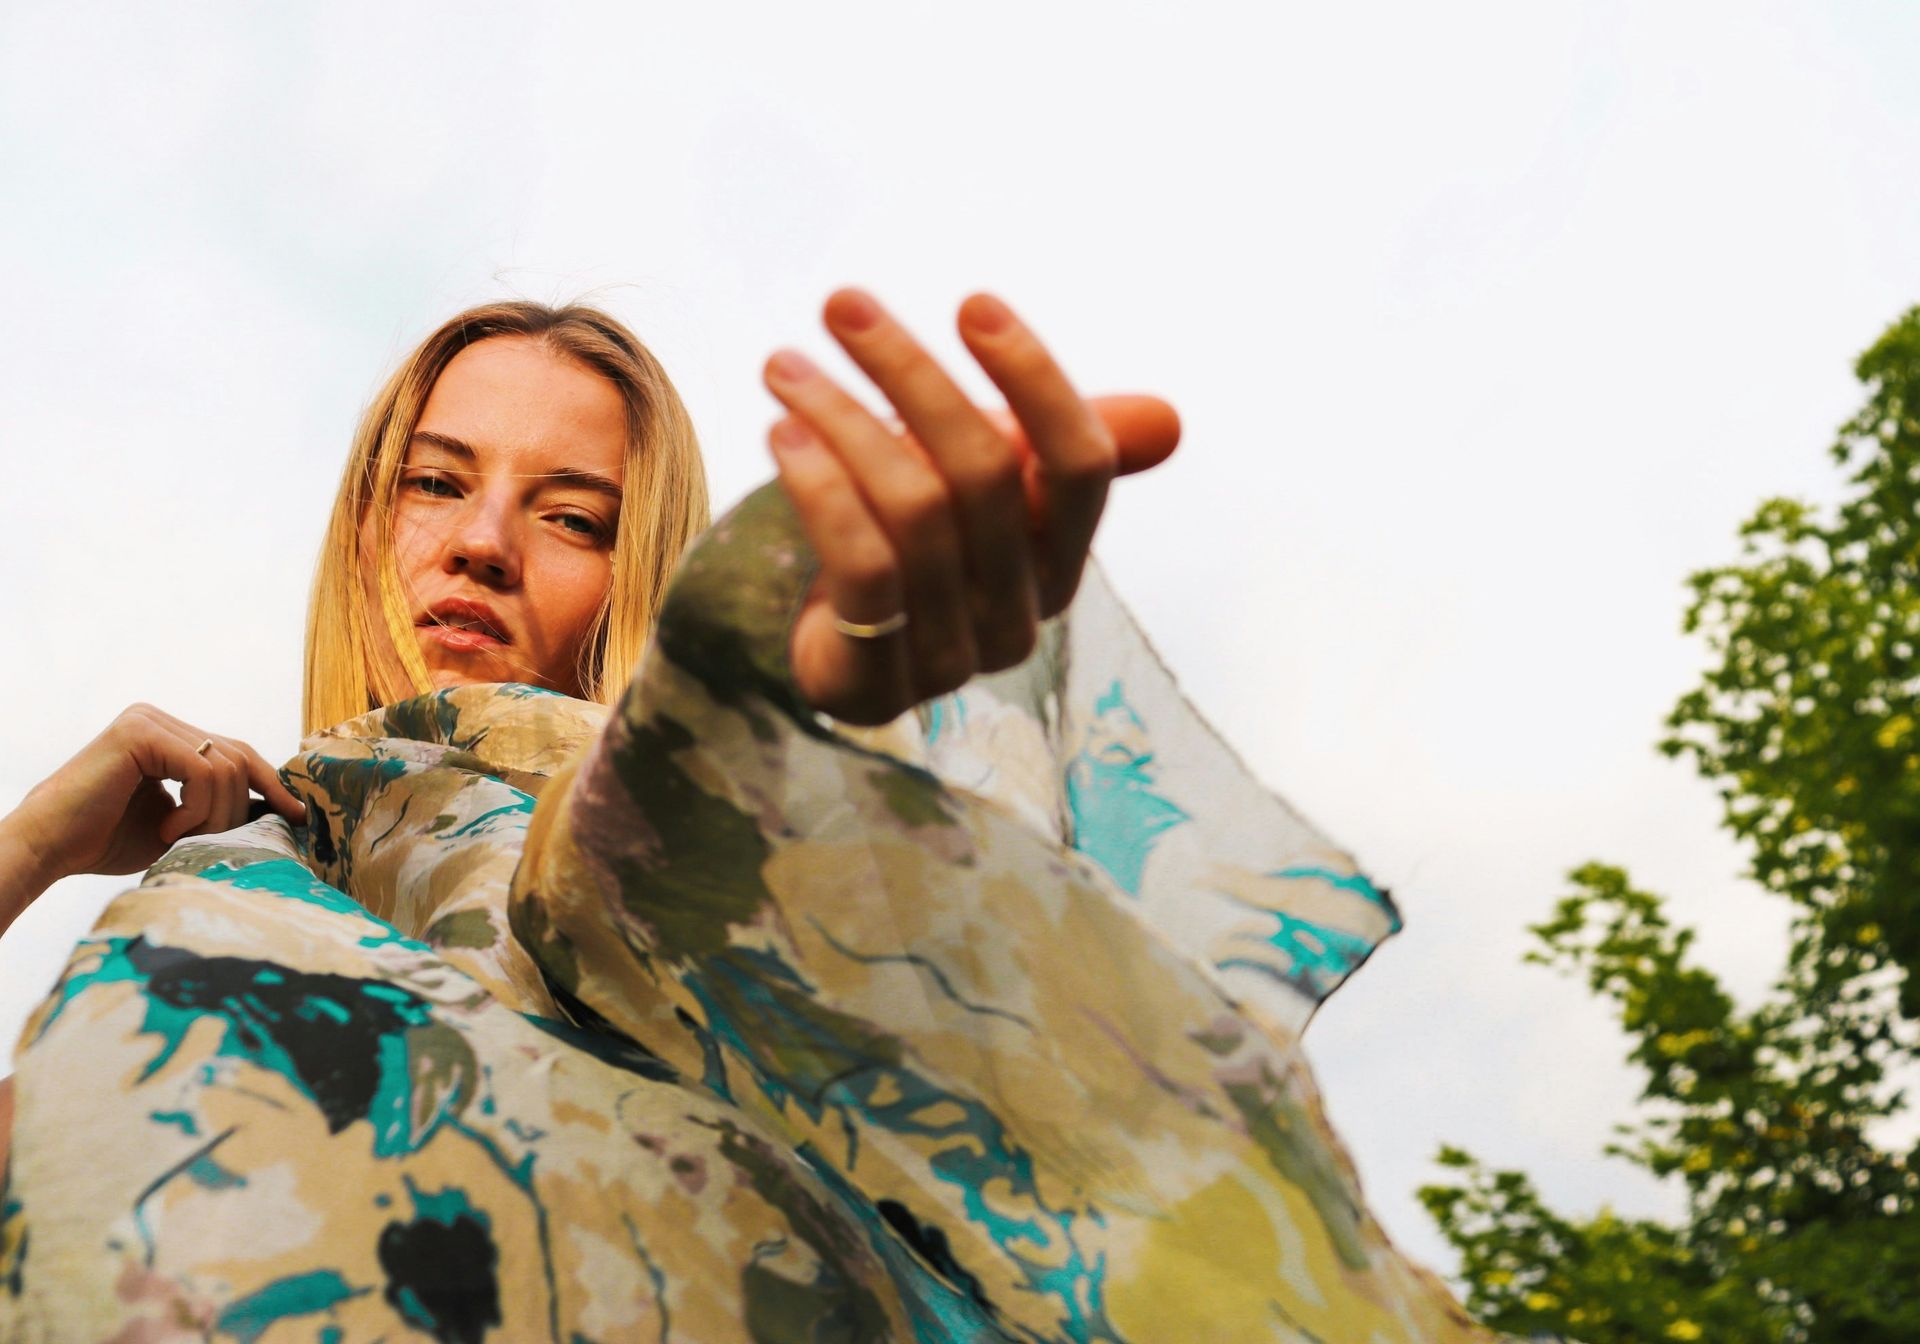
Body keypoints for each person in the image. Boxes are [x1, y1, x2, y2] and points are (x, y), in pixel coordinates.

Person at [0, 293, 1500, 1340]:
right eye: (433, 483)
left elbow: (693, 834)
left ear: (637, 570)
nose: (482, 543)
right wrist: (31, 849)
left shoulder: (608, 841)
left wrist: (829, 690)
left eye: (573, 517)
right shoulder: (217, 914)